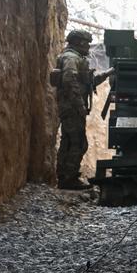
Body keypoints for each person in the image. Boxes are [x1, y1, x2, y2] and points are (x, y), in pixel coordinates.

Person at [52, 29, 113, 190]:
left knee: (69, 141)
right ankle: (68, 178)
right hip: (71, 107)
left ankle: (64, 176)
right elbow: (69, 81)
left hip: (71, 107)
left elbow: (88, 82)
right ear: (78, 42)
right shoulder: (71, 58)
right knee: (77, 142)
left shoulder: (76, 58)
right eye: (86, 42)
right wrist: (79, 105)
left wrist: (107, 73)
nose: (88, 46)